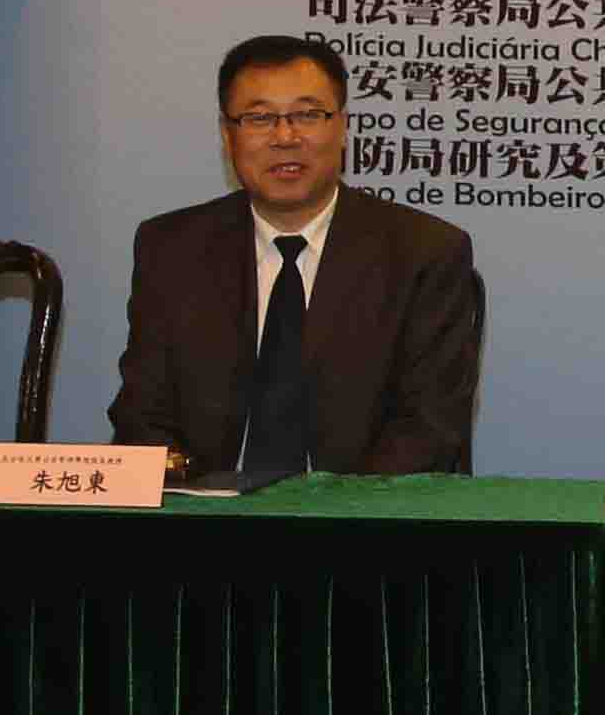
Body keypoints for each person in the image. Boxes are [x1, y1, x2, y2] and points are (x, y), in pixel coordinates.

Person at [103, 33, 483, 477]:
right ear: (227, 135)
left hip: (362, 511)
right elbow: (142, 414)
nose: (285, 137)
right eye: (259, 118)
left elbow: (429, 426)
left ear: (342, 126)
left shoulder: (424, 252)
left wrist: (339, 510)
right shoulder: (173, 249)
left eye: (308, 114)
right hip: (207, 507)